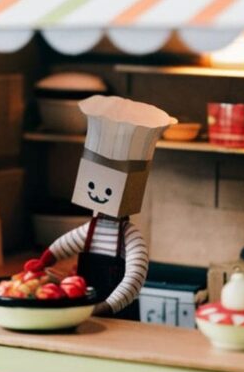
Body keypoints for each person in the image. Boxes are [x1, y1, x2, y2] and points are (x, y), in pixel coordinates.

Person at [27, 95, 175, 317]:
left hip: (119, 314)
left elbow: (135, 277)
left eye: (108, 191)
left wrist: (108, 306)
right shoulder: (90, 230)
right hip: (86, 306)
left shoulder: (129, 236)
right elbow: (66, 244)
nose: (98, 195)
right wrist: (46, 259)